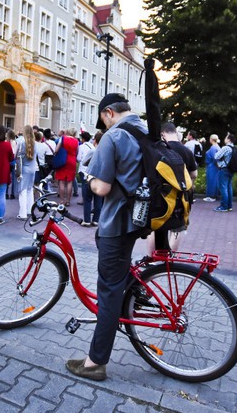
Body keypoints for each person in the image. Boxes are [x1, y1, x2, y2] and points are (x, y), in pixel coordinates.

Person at [66, 93, 143, 382]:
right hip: (141, 218)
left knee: (109, 292)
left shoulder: (114, 137)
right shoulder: (146, 130)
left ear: (108, 112)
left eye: (102, 119)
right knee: (120, 277)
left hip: (118, 221)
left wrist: (89, 178)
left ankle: (95, 362)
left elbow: (100, 188)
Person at [147, 122, 197, 252]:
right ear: (176, 133)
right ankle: (169, 262)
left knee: (155, 228)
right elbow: (194, 174)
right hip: (181, 198)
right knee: (177, 229)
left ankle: (152, 260)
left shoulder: (158, 149)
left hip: (161, 197)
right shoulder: (186, 151)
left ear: (162, 134)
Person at [79, 131, 103, 227]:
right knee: (98, 200)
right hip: (101, 178)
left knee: (87, 199)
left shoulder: (93, 151)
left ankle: (87, 220)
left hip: (90, 177)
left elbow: (84, 162)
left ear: (95, 140)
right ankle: (96, 220)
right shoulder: (107, 152)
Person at [16, 125, 37, 220]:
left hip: (24, 168)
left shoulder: (21, 143)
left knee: (22, 191)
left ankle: (22, 213)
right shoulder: (35, 143)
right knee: (29, 190)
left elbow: (17, 155)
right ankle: (29, 211)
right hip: (33, 168)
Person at [54, 128, 79, 206]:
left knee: (61, 181)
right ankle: (68, 201)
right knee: (69, 182)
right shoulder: (76, 141)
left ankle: (61, 200)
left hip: (63, 160)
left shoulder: (63, 138)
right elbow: (77, 152)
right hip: (72, 161)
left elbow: (56, 150)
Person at [214, 133, 237, 212]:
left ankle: (224, 206)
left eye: (226, 137)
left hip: (224, 169)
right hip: (231, 169)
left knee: (223, 188)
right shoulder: (234, 147)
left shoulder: (226, 148)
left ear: (229, 139)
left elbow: (216, 156)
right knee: (229, 187)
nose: (225, 139)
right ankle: (229, 205)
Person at [203, 135, 220, 202]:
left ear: (211, 139)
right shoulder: (218, 146)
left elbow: (215, 158)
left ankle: (211, 196)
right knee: (215, 180)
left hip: (212, 166)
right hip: (215, 166)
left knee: (211, 180)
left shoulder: (213, 147)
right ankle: (214, 195)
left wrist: (217, 165)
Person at [5, 129, 19, 200]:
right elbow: (15, 152)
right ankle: (12, 193)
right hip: (13, 160)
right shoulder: (15, 142)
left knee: (6, 178)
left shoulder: (6, 142)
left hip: (7, 161)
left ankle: (6, 193)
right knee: (14, 178)